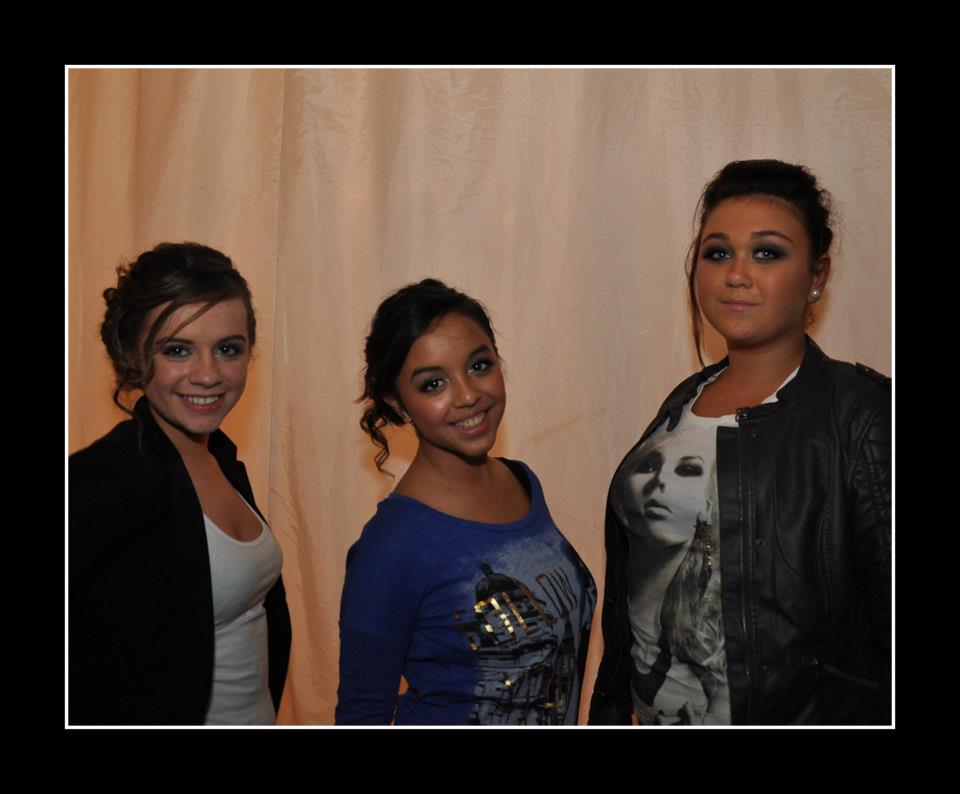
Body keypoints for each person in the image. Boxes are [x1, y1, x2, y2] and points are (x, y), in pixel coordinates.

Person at [589, 160, 891, 725]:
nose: (736, 274)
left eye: (767, 253)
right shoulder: (681, 404)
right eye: (718, 252)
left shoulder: (861, 414)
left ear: (817, 275)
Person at [336, 279, 596, 725]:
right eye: (433, 383)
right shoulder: (391, 546)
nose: (468, 395)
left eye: (478, 365)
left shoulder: (521, 482)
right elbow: (362, 713)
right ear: (397, 404)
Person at [69, 242, 292, 725]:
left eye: (228, 349)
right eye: (177, 350)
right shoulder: (104, 479)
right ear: (132, 355)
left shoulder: (222, 458)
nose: (208, 375)